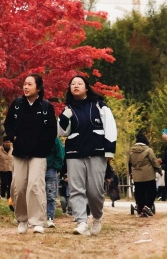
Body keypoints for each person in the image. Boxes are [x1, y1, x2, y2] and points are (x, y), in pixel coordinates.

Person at [58, 74, 117, 236]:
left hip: (96, 152)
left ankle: (97, 217)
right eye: (73, 84)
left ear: (86, 87)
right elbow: (61, 132)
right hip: (74, 153)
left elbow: (110, 127)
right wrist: (65, 115)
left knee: (95, 191)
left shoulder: (99, 106)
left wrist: (109, 150)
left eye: (79, 83)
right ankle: (81, 222)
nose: (76, 86)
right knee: (76, 189)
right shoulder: (68, 109)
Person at [4, 74, 57, 234]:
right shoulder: (17, 104)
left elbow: (52, 132)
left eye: (29, 84)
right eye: (24, 84)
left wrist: (44, 148)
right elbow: (8, 124)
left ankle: (37, 221)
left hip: (39, 154)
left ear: (38, 88)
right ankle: (22, 219)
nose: (26, 87)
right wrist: (13, 137)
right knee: (19, 187)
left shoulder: (46, 107)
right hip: (20, 152)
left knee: (35, 185)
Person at [128, 132, 161, 218]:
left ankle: (140, 209)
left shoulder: (131, 151)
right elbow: (154, 161)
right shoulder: (148, 150)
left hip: (137, 176)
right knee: (152, 191)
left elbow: (129, 163)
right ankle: (148, 207)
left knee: (139, 192)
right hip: (148, 175)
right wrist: (159, 170)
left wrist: (130, 173)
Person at [46, 134, 65, 227]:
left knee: (51, 194)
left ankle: (50, 217)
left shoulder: (55, 139)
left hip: (50, 170)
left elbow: (60, 153)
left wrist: (55, 167)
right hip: (38, 169)